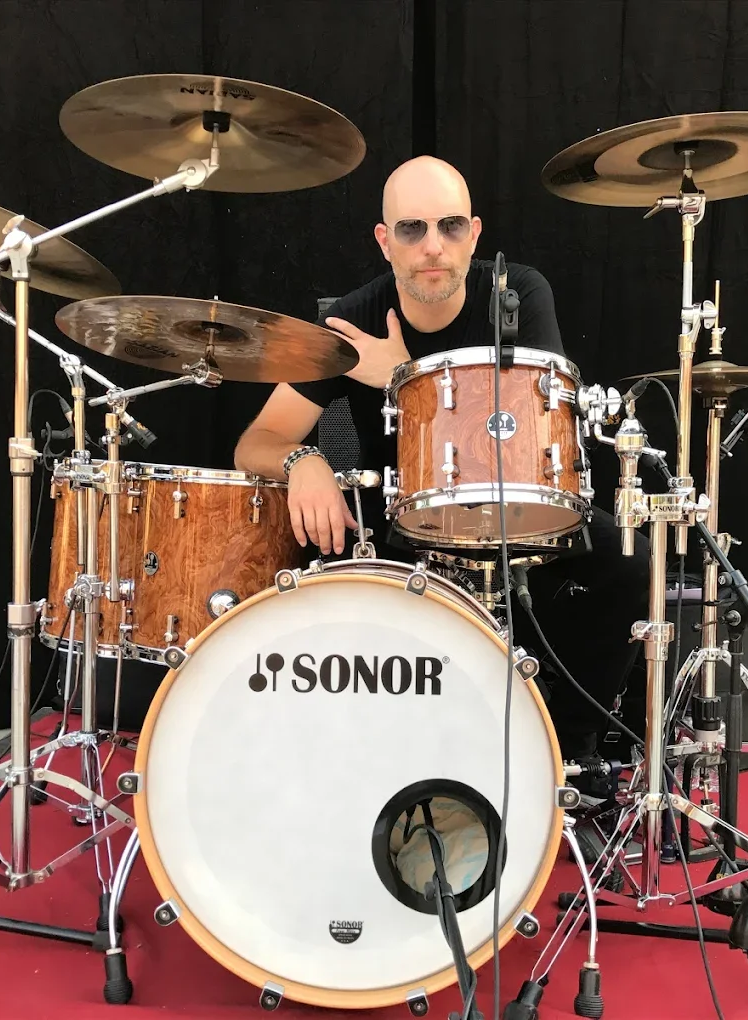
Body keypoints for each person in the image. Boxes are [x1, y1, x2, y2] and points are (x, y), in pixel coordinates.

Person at [234, 155, 646, 772]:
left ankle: (568, 755)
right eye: (412, 229)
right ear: (385, 241)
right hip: (400, 526)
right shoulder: (351, 322)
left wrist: (402, 376)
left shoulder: (517, 294)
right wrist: (303, 459)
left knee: (626, 562)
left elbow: (538, 421)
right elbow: (255, 441)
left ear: (473, 234)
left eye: (450, 226)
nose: (433, 246)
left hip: (519, 508)